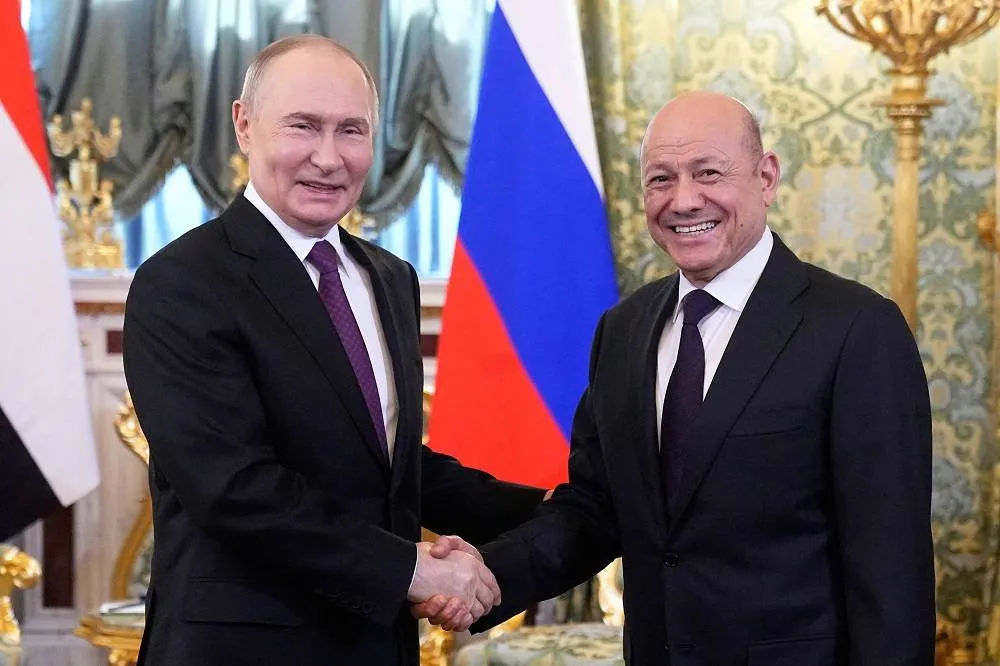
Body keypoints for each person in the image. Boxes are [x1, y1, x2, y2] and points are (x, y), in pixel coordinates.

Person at [418, 91, 936, 664]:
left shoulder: (856, 329)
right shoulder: (625, 329)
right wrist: (488, 574)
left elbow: (891, 567)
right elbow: (594, 511)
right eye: (661, 179)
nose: (684, 200)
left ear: (766, 178)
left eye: (708, 173)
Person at [122, 35, 545, 666]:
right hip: (241, 650)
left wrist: (546, 513)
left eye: (351, 130)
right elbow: (234, 488)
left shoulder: (389, 278)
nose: (328, 157)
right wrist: (413, 571)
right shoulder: (181, 283)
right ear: (244, 124)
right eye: (302, 126)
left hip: (376, 644)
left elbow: (388, 467)